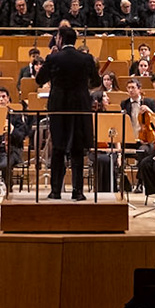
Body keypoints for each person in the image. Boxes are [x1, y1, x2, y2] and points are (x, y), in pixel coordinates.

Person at [38, 20, 99, 200]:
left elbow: (40, 79)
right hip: (80, 108)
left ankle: (56, 191)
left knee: (58, 148)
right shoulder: (86, 58)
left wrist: (50, 60)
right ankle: (78, 191)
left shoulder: (53, 58)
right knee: (77, 149)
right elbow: (96, 82)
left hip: (59, 108)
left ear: (60, 39)